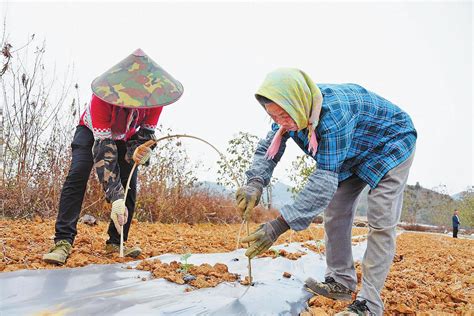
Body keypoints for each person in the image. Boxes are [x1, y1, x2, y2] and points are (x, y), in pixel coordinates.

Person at [236, 68, 416, 316]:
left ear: (297, 102)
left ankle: (369, 304)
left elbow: (323, 181)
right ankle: (340, 282)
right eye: (273, 116)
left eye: (283, 115)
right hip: (351, 153)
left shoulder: (334, 116)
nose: (280, 122)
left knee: (381, 219)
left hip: (390, 143)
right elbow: (269, 146)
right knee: (335, 212)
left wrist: (278, 226)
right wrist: (254, 182)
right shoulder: (290, 112)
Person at [43, 49, 183, 265]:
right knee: (78, 173)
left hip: (125, 137)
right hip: (92, 133)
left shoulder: (155, 102)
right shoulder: (102, 100)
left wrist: (139, 151)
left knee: (129, 183)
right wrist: (115, 197)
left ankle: (116, 242)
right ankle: (63, 241)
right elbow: (104, 152)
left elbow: (145, 135)